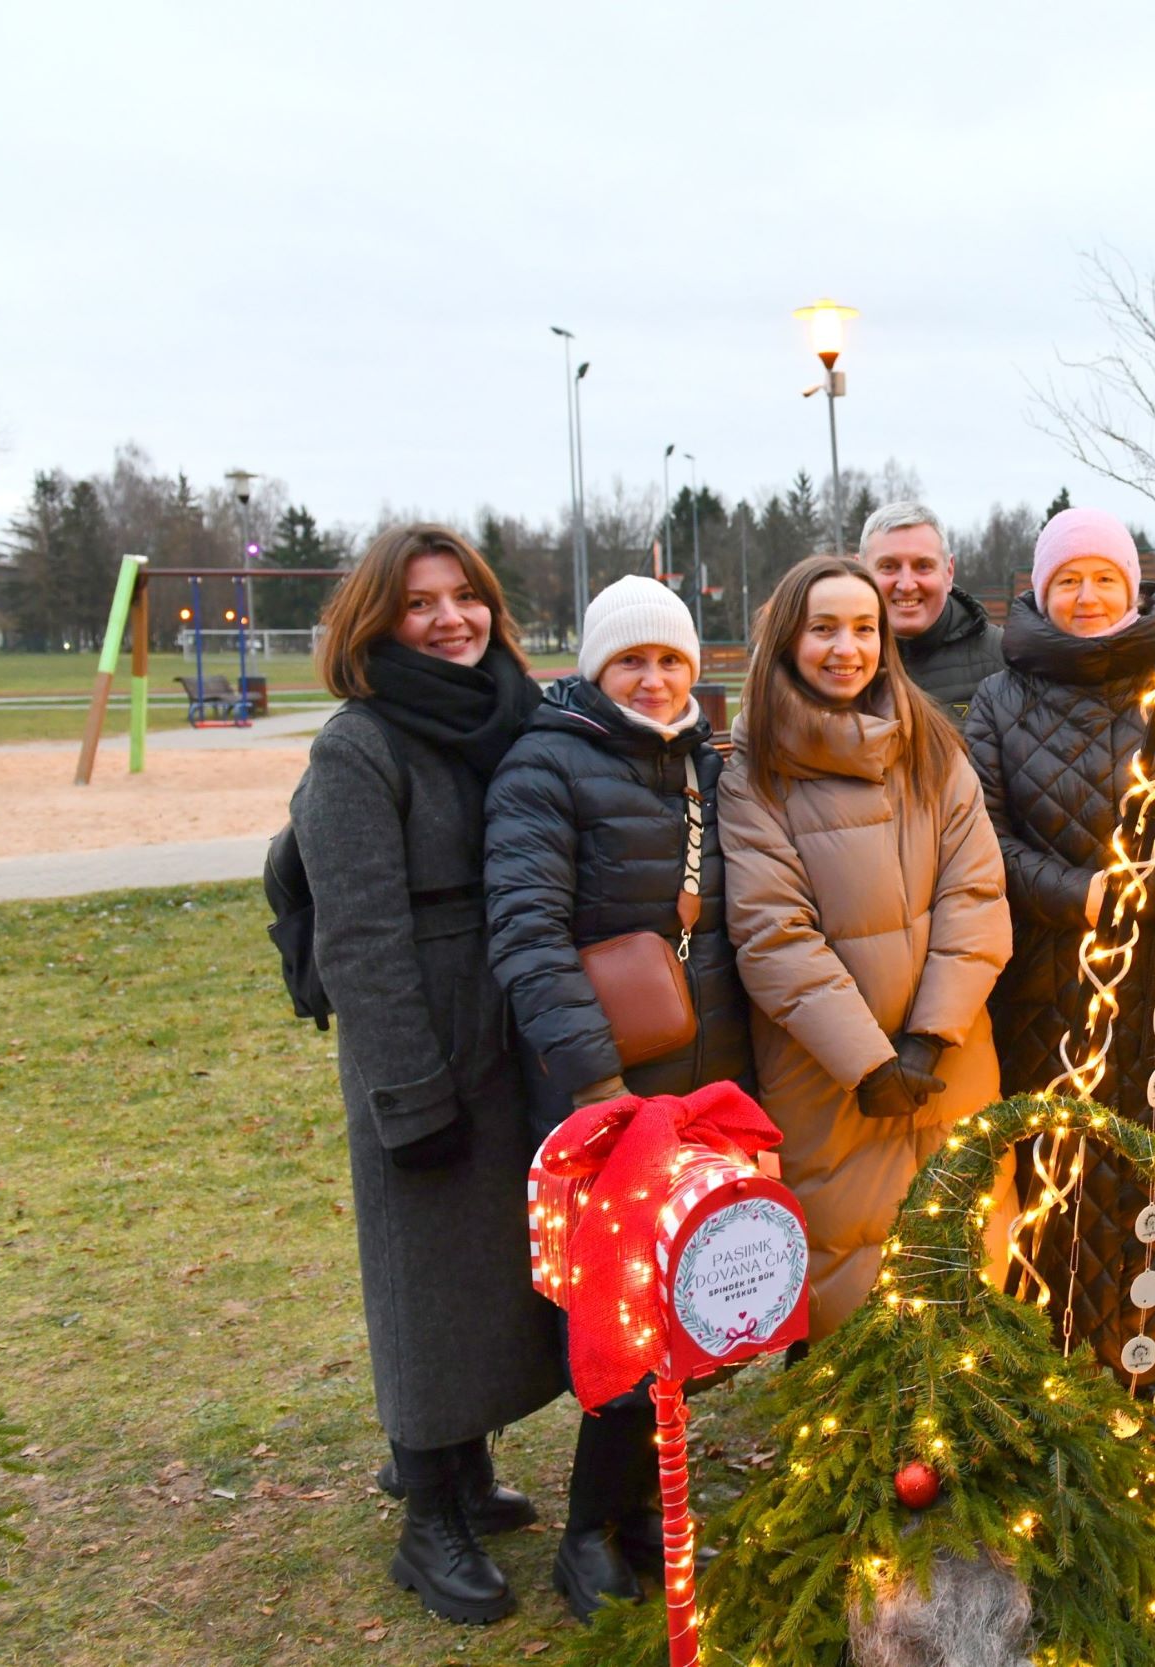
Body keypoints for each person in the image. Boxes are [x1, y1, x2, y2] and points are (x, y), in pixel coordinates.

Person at [289, 523, 557, 1625]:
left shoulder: (509, 717)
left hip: (511, 1017)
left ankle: (469, 1467)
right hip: (423, 1031)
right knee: (423, 1276)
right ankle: (427, 1512)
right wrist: (408, 1085)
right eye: (419, 603)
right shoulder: (358, 747)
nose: (451, 618)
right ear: (376, 623)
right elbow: (358, 934)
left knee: (491, 1268)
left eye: (466, 595)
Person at [481, 574, 755, 1620]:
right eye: (631, 660)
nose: (653, 677)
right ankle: (588, 1530)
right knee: (623, 1318)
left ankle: (645, 1502)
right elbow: (527, 931)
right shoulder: (543, 768)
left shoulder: (706, 766)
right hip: (607, 1096)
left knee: (698, 1302)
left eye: (670, 659)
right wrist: (597, 1081)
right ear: (596, 668)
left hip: (706, 1088)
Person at [963, 507, 1155, 1378]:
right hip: (1050, 983)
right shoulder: (999, 698)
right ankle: (1058, 1384)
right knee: (1063, 1178)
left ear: (1132, 585)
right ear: (1040, 592)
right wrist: (1080, 896)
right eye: (1068, 580)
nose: (1086, 596)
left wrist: (1140, 890)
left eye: (1104, 577)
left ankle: (1145, 1377)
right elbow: (987, 838)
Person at [719, 555, 1015, 1334]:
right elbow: (773, 931)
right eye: (824, 629)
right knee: (852, 1271)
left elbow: (975, 894)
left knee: (965, 1250)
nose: (845, 648)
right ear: (789, 640)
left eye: (863, 628)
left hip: (948, 1058)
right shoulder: (756, 770)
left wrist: (927, 1036)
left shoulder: (932, 746)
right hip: (831, 1077)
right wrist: (869, 1060)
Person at [861, 501, 1003, 717]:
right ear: (860, 572)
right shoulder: (834, 663)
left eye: (923, 566)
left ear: (949, 571)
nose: (906, 585)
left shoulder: (1005, 660)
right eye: (888, 567)